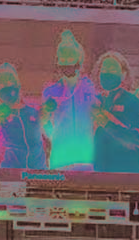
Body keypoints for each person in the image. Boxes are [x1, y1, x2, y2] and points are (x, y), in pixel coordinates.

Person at [41, 30, 96, 171]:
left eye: (70, 59)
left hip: (86, 159)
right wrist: (56, 136)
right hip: (60, 159)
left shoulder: (90, 88)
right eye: (62, 60)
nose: (66, 64)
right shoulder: (51, 92)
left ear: (79, 61)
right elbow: (44, 122)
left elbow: (96, 120)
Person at [91, 51, 139, 173]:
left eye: (112, 71)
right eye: (103, 71)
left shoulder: (132, 101)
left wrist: (107, 123)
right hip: (99, 172)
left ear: (123, 75)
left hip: (125, 174)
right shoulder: (94, 101)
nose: (107, 75)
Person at [0, 62, 46, 169]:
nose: (7, 89)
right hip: (11, 174)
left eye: (9, 83)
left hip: (37, 173)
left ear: (18, 85)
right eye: (1, 86)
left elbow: (51, 137)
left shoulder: (34, 112)